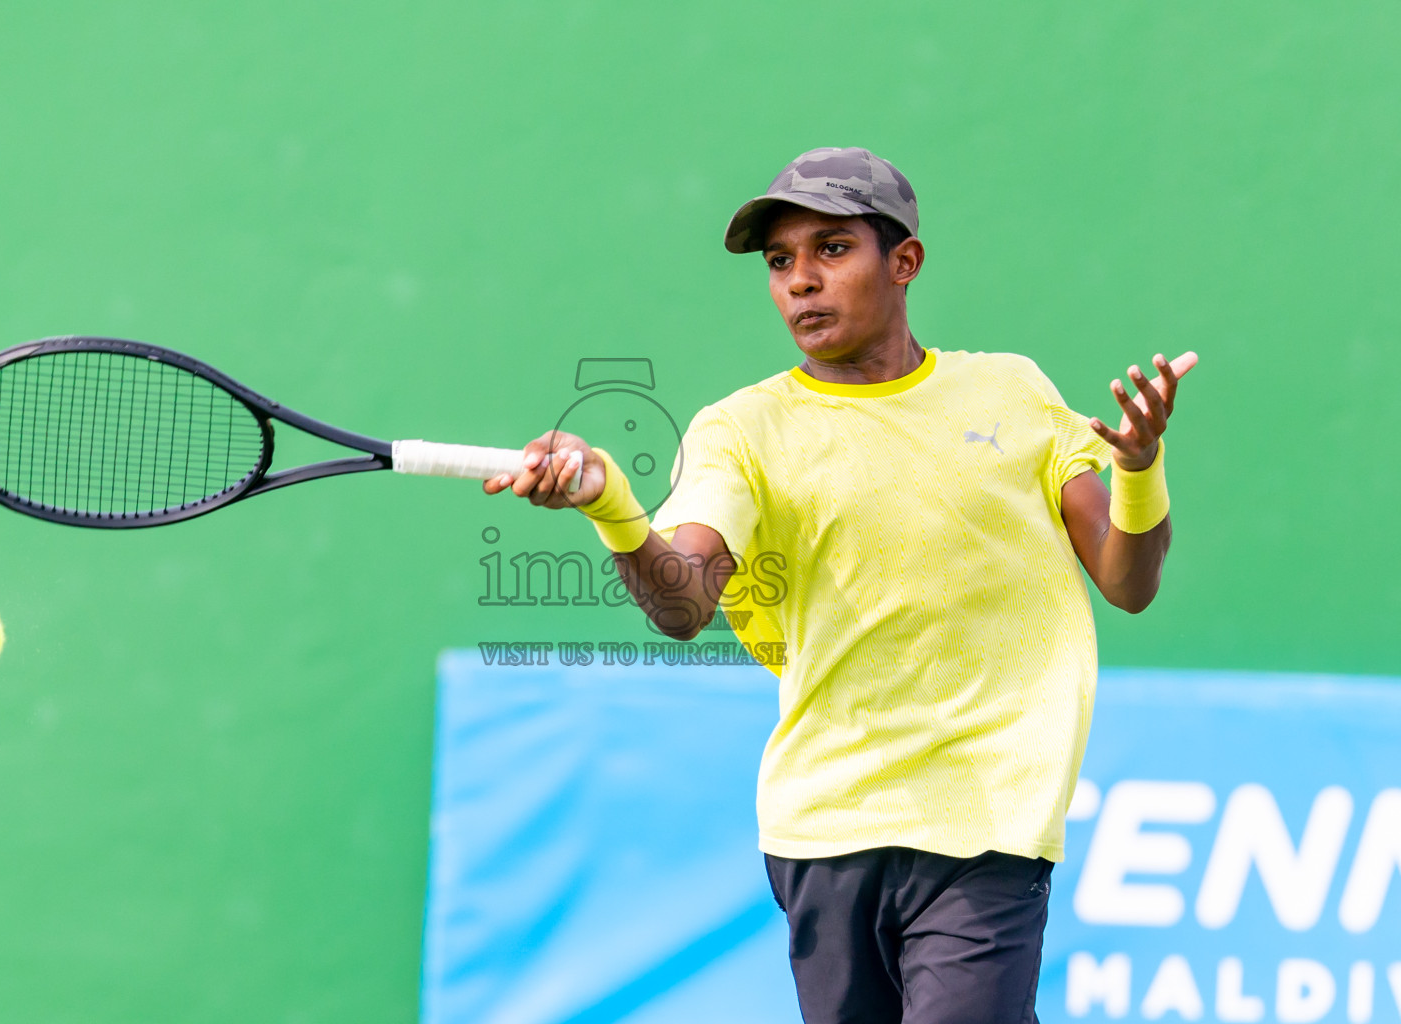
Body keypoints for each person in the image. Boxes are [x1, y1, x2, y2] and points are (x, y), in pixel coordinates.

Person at [484, 146, 1195, 1023]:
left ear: (904, 262)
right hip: (824, 830)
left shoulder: (1012, 390)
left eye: (831, 250)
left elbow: (1128, 581)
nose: (800, 283)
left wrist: (1139, 468)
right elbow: (683, 601)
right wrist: (613, 505)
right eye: (781, 262)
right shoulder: (740, 431)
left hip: (988, 824)